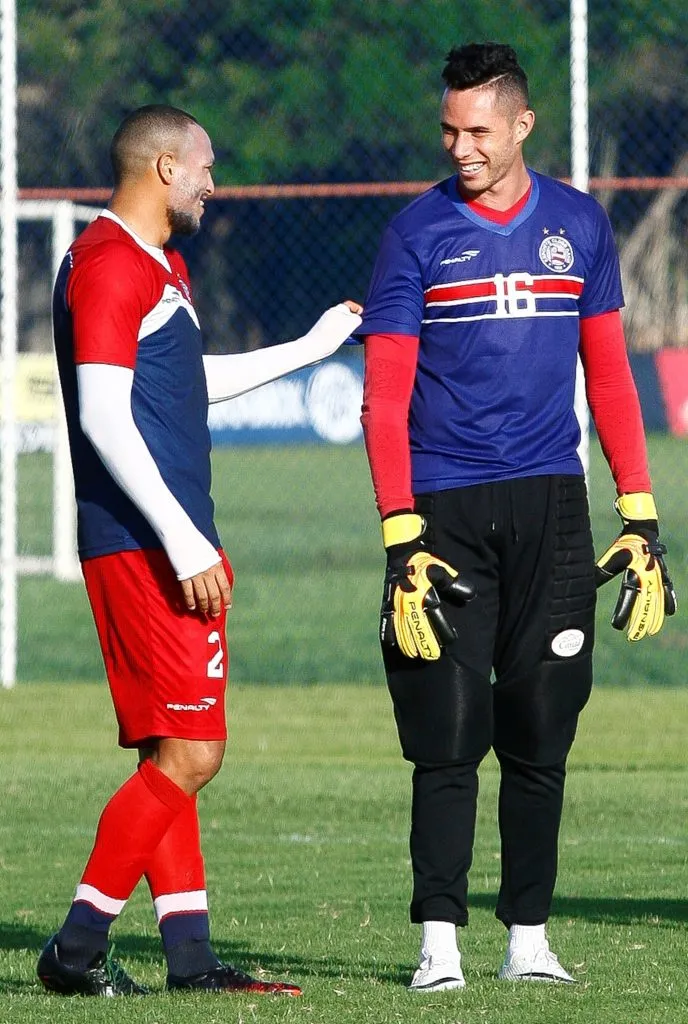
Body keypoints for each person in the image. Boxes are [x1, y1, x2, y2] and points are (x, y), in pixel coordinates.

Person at [358, 43, 675, 992]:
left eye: (478, 131)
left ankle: (528, 941)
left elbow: (610, 377)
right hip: (444, 512)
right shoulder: (414, 234)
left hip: (552, 506)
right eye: (449, 130)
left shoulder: (579, 225)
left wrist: (640, 510)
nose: (461, 147)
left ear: (522, 125)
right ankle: (438, 948)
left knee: (542, 725)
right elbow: (384, 399)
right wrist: (400, 531)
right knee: (447, 730)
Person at [37, 104, 363, 998]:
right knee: (194, 755)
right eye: (206, 166)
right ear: (165, 169)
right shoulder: (108, 263)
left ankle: (190, 960)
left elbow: (185, 383)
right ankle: (75, 950)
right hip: (145, 545)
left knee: (171, 754)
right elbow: (103, 414)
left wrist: (308, 349)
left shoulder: (161, 266)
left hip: (164, 540)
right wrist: (182, 541)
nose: (214, 183)